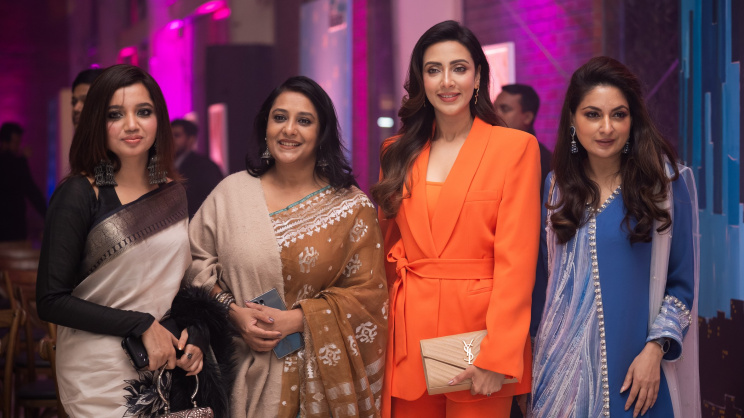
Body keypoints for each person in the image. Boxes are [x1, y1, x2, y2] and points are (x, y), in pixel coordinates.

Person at [185, 75, 388, 417]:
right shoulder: (232, 193)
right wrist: (232, 312)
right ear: (265, 126)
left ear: (322, 134)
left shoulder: (350, 207)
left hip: (319, 385)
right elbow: (192, 263)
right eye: (279, 117)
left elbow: (370, 296)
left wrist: (299, 319)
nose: (289, 130)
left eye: (304, 121)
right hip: (240, 378)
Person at [372, 20, 541, 417]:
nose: (447, 82)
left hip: (478, 341)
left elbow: (517, 263)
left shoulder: (514, 148)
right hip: (407, 333)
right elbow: (384, 252)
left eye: (459, 68)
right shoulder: (396, 152)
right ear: (421, 80)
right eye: (434, 70)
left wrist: (499, 355)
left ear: (478, 76)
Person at [530, 56, 699, 418]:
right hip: (559, 381)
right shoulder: (556, 188)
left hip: (637, 376)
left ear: (632, 120)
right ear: (573, 120)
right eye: (592, 114)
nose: (606, 128)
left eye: (618, 115)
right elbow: (546, 285)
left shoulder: (664, 186)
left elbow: (682, 286)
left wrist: (654, 350)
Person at [36, 64, 208, 417]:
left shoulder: (173, 194)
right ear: (98, 123)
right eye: (115, 114)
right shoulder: (79, 194)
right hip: (97, 371)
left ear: (159, 120)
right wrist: (139, 323)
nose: (132, 125)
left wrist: (196, 335)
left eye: (143, 112)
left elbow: (181, 285)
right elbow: (51, 301)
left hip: (162, 362)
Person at [494, 84, 551, 196]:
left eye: (504, 109)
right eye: (493, 108)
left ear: (527, 117)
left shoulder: (542, 161)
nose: (495, 114)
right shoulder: (488, 151)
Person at [0, 122, 47, 242]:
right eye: (16, 143)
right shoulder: (16, 164)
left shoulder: (16, 163)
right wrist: (49, 215)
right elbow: (32, 191)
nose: (18, 146)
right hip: (13, 228)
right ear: (5, 143)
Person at [171, 119, 223, 218]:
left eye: (176, 135)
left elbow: (213, 200)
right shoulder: (161, 165)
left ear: (191, 139)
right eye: (168, 136)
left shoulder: (204, 166)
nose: (170, 140)